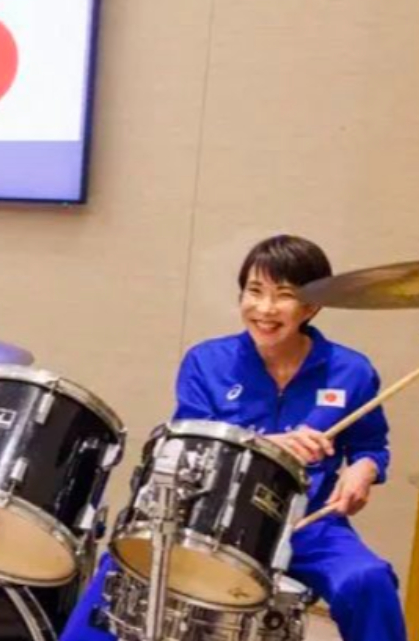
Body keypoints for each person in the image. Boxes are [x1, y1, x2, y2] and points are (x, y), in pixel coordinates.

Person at [61, 235, 405, 641]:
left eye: (284, 295)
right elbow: (187, 443)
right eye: (254, 291)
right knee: (123, 565)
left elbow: (370, 446)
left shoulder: (351, 370)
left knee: (367, 580)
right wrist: (269, 445)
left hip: (310, 525)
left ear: (312, 306)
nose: (265, 308)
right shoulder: (207, 361)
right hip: (212, 519)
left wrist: (363, 471)